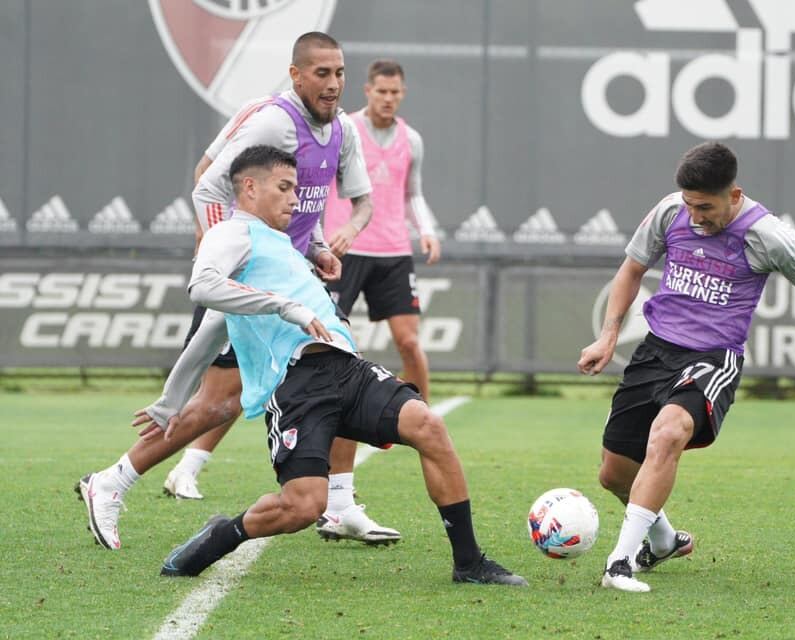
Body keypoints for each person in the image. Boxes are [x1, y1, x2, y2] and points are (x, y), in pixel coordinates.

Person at [77, 31, 400, 550]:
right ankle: (113, 481)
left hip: (291, 279)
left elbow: (315, 203)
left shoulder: (340, 130)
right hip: (252, 283)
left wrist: (317, 245)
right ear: (296, 75)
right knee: (214, 406)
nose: (334, 83)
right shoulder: (272, 118)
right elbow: (208, 181)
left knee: (341, 368)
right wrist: (221, 253)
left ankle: (338, 505)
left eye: (339, 73)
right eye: (322, 73)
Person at [158, 145, 526, 587]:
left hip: (345, 368)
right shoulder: (232, 233)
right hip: (297, 388)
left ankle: (469, 563)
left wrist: (170, 397)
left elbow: (213, 329)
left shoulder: (282, 245)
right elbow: (204, 292)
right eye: (284, 187)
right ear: (249, 188)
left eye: (296, 188)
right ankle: (224, 535)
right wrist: (174, 399)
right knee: (302, 507)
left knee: (427, 425)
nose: (296, 199)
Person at [577, 142, 795, 593]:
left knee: (669, 432)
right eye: (690, 205)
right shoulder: (669, 211)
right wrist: (608, 336)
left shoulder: (769, 235)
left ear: (735, 195)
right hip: (655, 352)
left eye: (706, 207)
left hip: (713, 358)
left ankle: (619, 564)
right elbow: (631, 270)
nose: (696, 216)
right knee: (614, 474)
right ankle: (662, 541)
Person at [323, 59, 440, 402]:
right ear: (368, 91)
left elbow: (413, 193)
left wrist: (427, 232)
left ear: (402, 94)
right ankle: (329, 413)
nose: (388, 98)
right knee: (330, 340)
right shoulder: (343, 129)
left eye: (394, 92)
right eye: (381, 91)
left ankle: (423, 418)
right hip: (344, 251)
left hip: (394, 251)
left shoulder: (411, 140)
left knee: (409, 341)